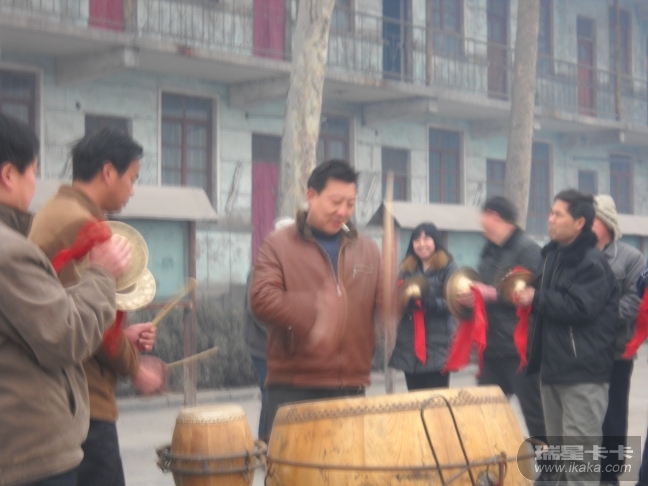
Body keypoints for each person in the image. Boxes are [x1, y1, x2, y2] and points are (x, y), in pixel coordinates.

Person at [0, 114, 132, 486]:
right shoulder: (14, 249)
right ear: (8, 175)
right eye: (33, 171)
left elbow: (38, 313)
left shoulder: (39, 221)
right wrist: (102, 273)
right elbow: (63, 333)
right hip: (31, 448)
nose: (35, 182)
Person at [29, 128, 164, 486]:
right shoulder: (85, 225)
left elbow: (72, 307)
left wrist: (124, 334)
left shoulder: (55, 210)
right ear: (108, 172)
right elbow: (94, 321)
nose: (132, 190)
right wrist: (135, 368)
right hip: (85, 398)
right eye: (131, 178)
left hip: (61, 395)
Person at [250, 159, 382, 438]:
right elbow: (261, 299)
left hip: (350, 388)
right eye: (335, 202)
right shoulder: (279, 244)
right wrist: (315, 308)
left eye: (350, 203)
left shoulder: (368, 250)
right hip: (294, 389)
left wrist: (400, 297)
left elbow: (383, 305)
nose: (343, 211)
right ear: (311, 195)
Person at [516, 189, 619, 486]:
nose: (550, 219)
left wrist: (536, 297)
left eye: (558, 214)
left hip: (582, 375)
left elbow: (580, 307)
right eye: (550, 213)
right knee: (562, 462)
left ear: (579, 223)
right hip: (553, 371)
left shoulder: (591, 262)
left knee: (580, 465)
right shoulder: (552, 256)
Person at [459, 196, 546, 444]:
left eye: (484, 217)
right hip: (492, 348)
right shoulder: (490, 250)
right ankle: (494, 463)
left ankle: (549, 466)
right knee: (485, 413)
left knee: (536, 416)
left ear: (495, 217)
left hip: (520, 350)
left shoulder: (527, 250)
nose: (482, 225)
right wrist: (472, 296)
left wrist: (492, 294)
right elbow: (485, 288)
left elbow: (531, 294)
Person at [591, 195, 645, 486]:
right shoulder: (577, 255)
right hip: (581, 353)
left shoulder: (631, 257)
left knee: (612, 415)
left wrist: (596, 318)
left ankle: (609, 472)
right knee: (583, 413)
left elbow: (636, 300)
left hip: (615, 352)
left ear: (606, 222)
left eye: (592, 217)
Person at [389, 222, 457, 390]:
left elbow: (455, 302)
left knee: (437, 400)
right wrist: (403, 300)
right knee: (415, 399)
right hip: (409, 344)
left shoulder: (448, 266)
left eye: (426, 239)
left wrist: (429, 304)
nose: (421, 244)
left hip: (438, 344)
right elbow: (396, 298)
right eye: (417, 240)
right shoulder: (406, 268)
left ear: (436, 241)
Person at [244, 217, 294, 441]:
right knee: (270, 393)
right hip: (263, 346)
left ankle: (280, 442)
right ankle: (265, 445)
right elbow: (258, 312)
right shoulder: (261, 270)